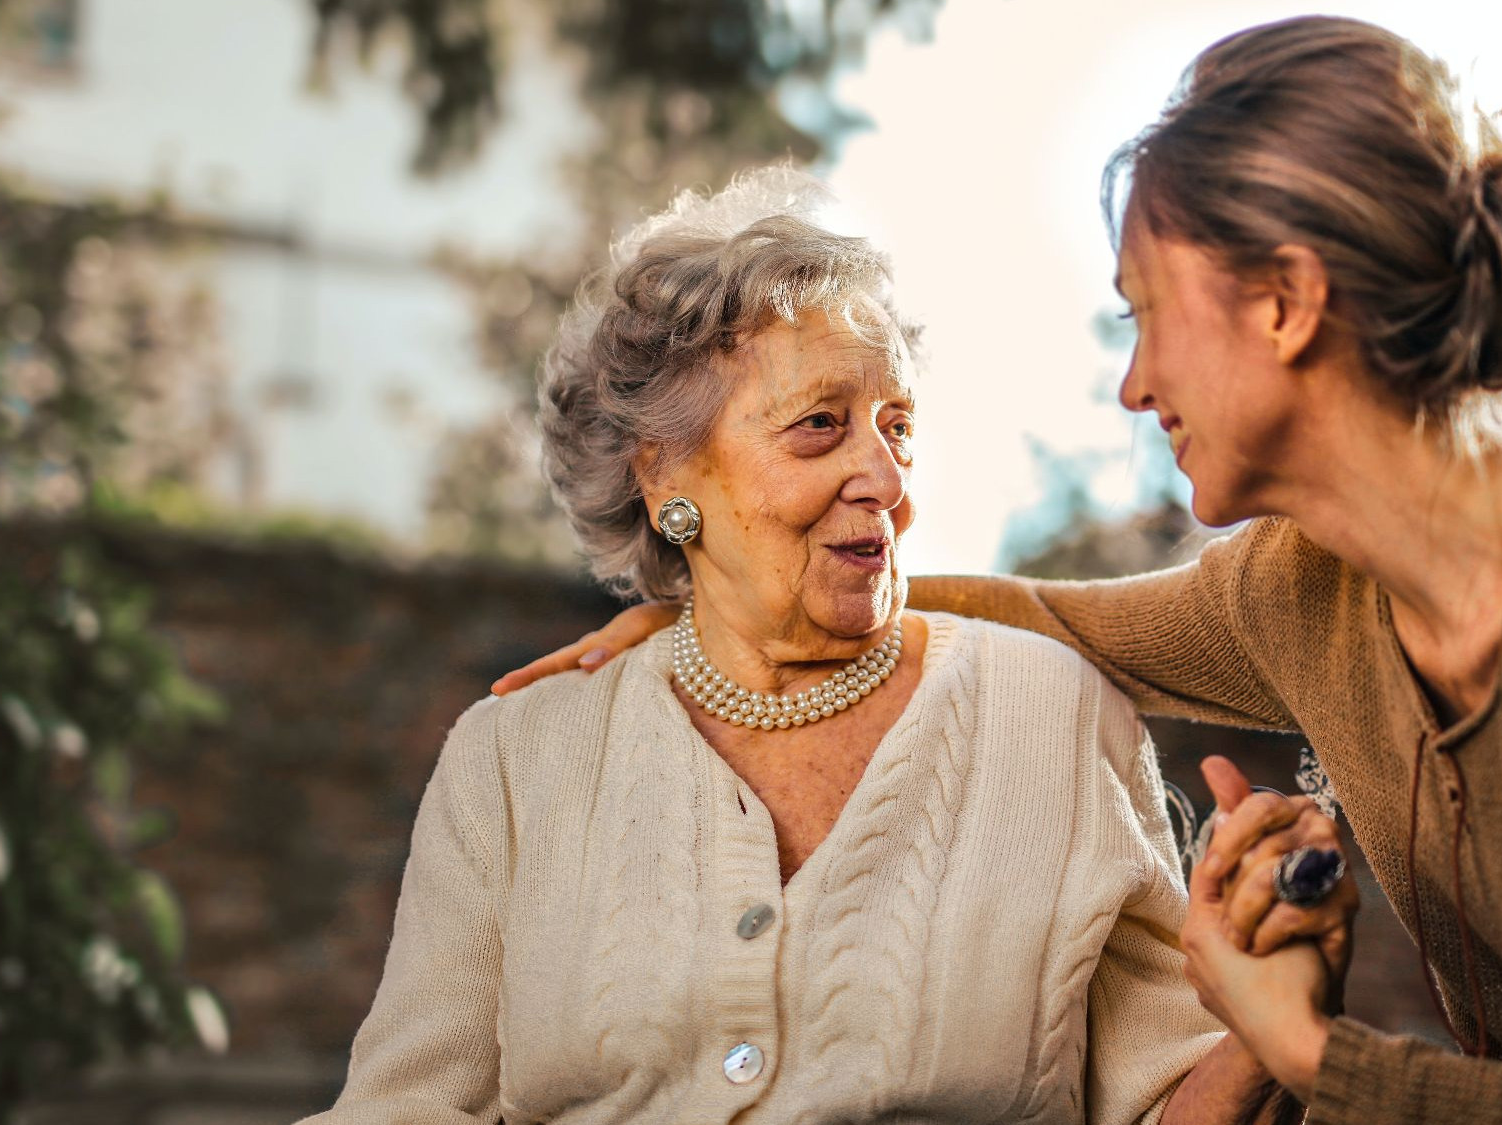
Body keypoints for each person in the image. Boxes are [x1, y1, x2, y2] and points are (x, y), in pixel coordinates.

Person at [493, 17, 1502, 1125]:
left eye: (1147, 317)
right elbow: (1042, 616)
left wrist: (1316, 1057)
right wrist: (715, 614)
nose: (1133, 386)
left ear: (1286, 302)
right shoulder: (1309, 586)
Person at [306, 167, 1337, 1125]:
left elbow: (1163, 1102)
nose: (885, 483)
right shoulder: (514, 760)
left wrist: (1260, 1032)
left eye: (896, 426)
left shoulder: (1051, 715)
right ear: (664, 477)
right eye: (818, 427)